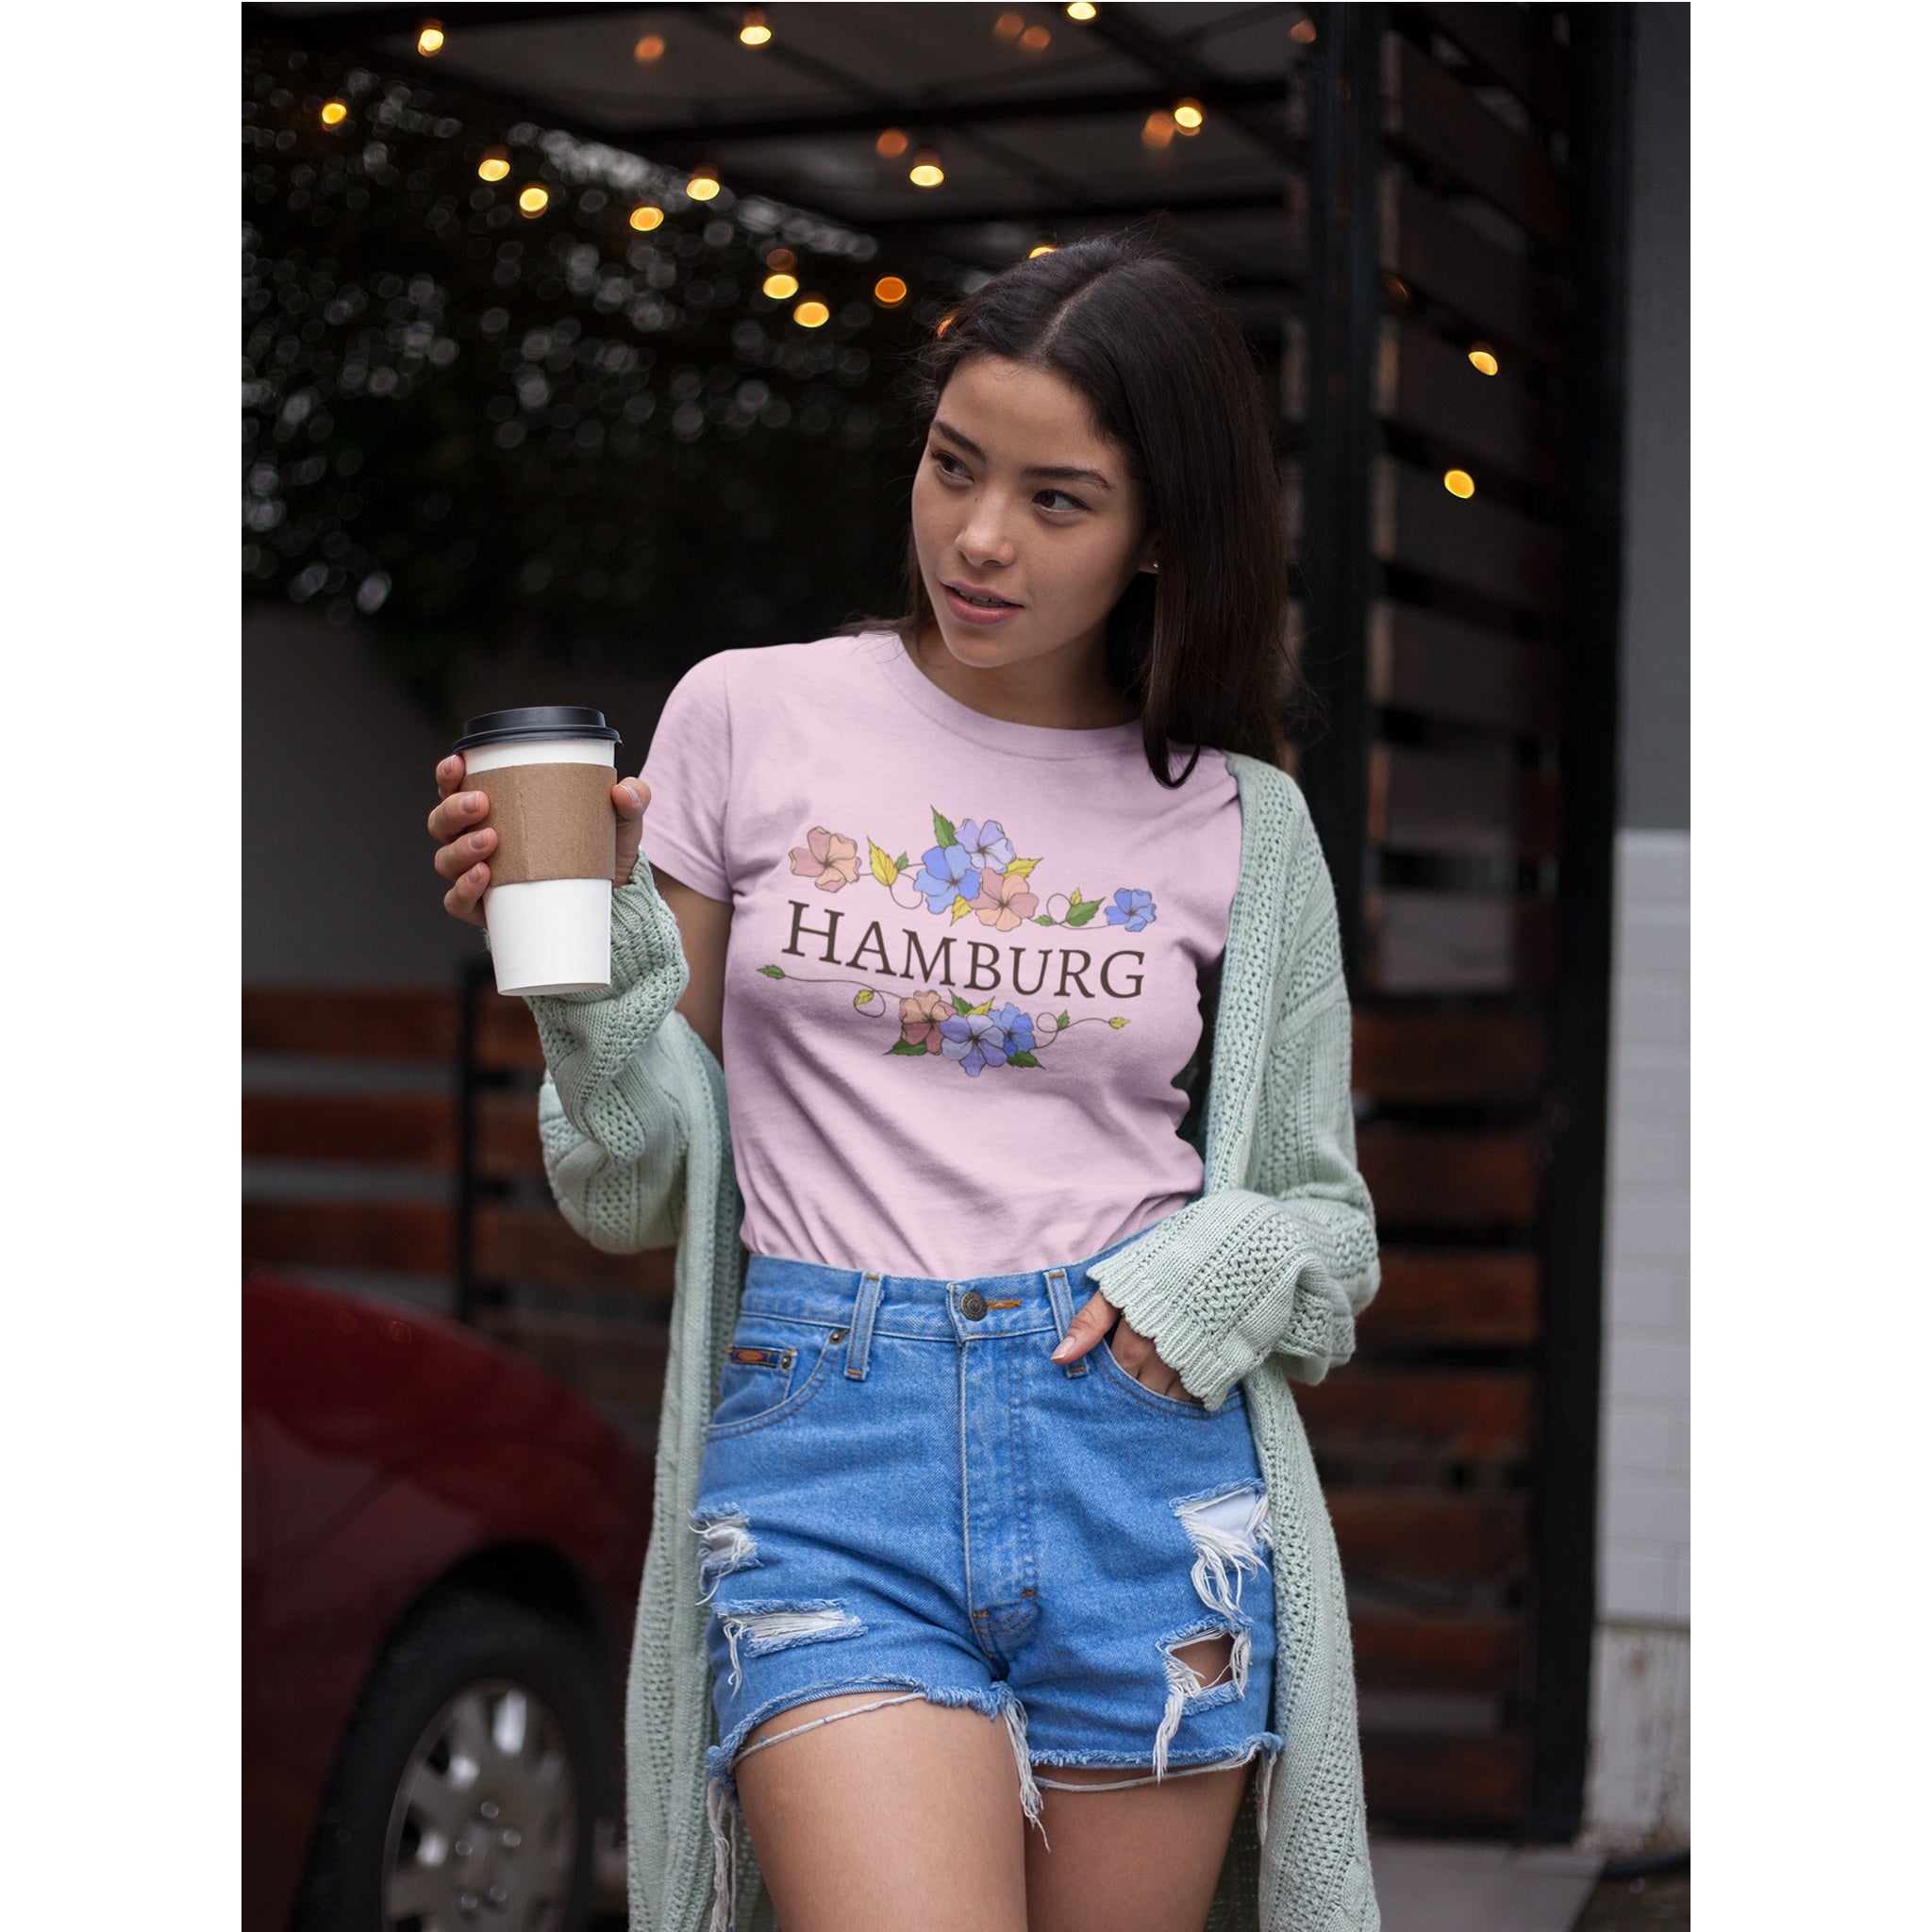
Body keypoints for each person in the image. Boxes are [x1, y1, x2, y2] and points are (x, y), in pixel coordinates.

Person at [425, 234, 1383, 1932]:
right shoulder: (748, 717)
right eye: (953, 465)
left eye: (1058, 499)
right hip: (826, 1444)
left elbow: (1324, 1226)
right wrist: (591, 996)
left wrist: (1206, 1273)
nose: (980, 537)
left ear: (1162, 532)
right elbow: (627, 1184)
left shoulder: (1247, 822)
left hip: (1137, 1462)